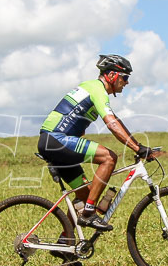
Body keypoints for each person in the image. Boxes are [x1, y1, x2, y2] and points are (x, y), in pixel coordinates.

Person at [38, 54, 156, 231]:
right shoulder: (97, 89)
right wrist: (137, 148)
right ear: (111, 75)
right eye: (124, 77)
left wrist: (138, 145)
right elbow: (112, 124)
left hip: (52, 141)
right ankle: (88, 214)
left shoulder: (91, 88)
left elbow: (116, 121)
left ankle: (65, 243)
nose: (127, 82)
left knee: (85, 194)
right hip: (56, 139)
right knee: (109, 158)